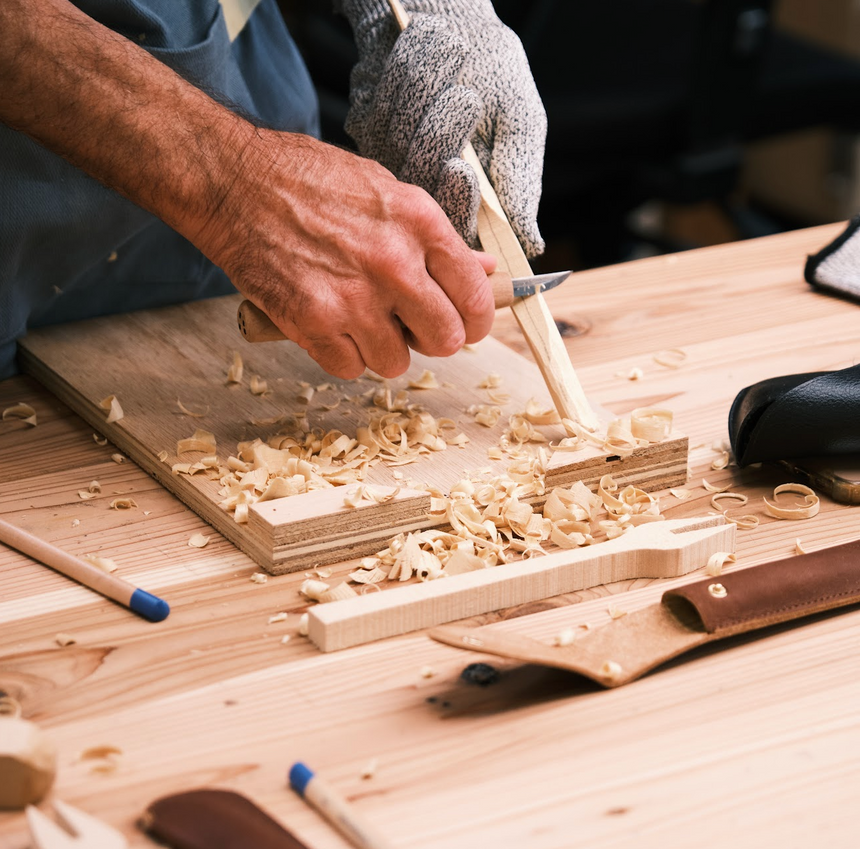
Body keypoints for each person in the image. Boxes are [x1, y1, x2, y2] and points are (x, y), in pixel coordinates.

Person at [0, 0, 547, 381]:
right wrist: (237, 185)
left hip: (228, 69)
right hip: (21, 186)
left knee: (209, 378)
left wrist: (421, 8)